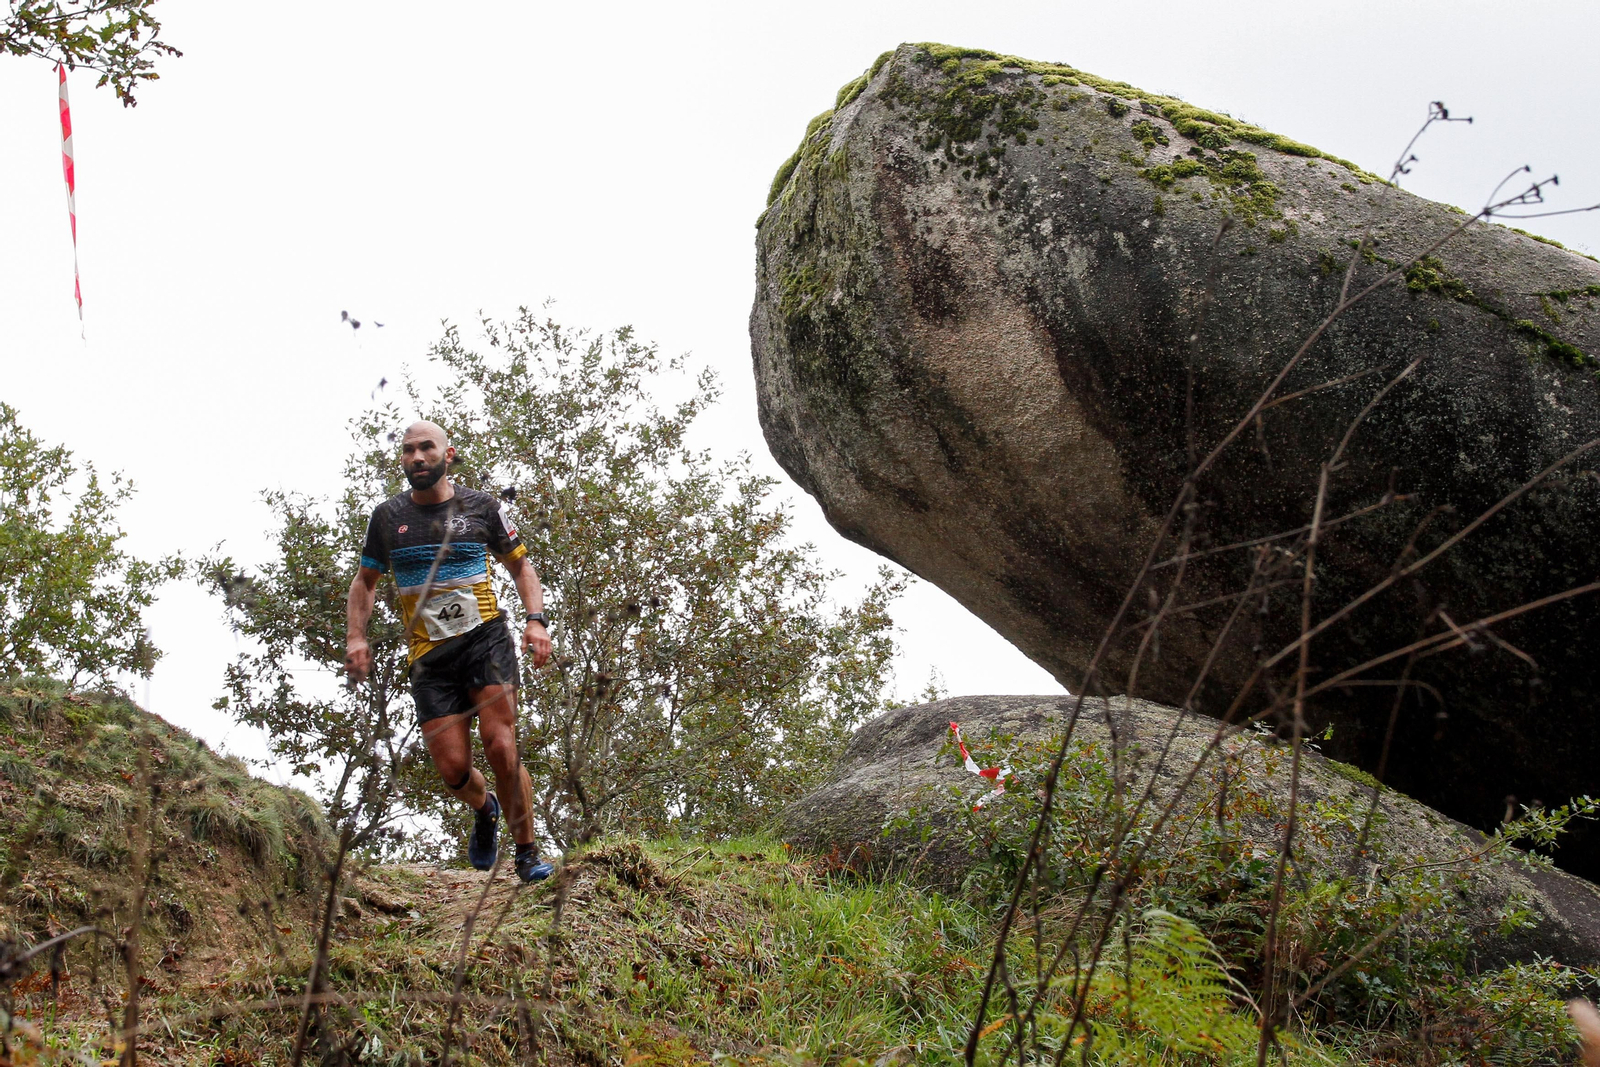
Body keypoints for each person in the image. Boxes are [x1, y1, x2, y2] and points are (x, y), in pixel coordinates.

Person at [344, 420, 555, 882]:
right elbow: (365, 581)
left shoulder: (481, 507)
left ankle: (526, 852)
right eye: (408, 451)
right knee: (454, 770)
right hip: (429, 656)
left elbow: (521, 567)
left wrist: (535, 619)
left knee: (500, 744)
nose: (417, 457)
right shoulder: (387, 517)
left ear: (448, 454)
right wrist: (356, 637)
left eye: (426, 448)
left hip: (485, 639)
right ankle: (486, 808)